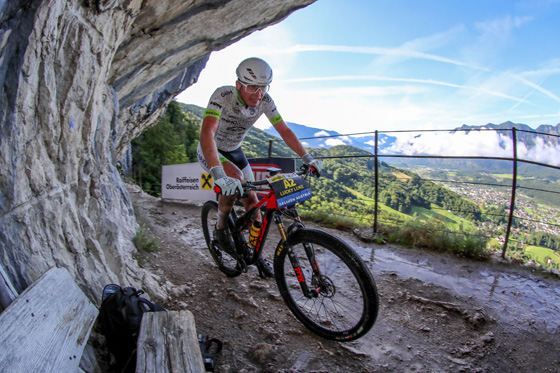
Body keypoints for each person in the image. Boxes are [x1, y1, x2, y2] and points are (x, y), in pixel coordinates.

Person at [197, 57, 321, 274]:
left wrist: (307, 157)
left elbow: (284, 131)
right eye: (252, 87)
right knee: (234, 179)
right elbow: (207, 131)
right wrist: (217, 173)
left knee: (253, 203)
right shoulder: (222, 95)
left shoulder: (266, 101)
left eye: (263, 87)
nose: (258, 93)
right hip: (212, 150)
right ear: (238, 85)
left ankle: (254, 255)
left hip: (235, 150)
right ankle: (220, 227)